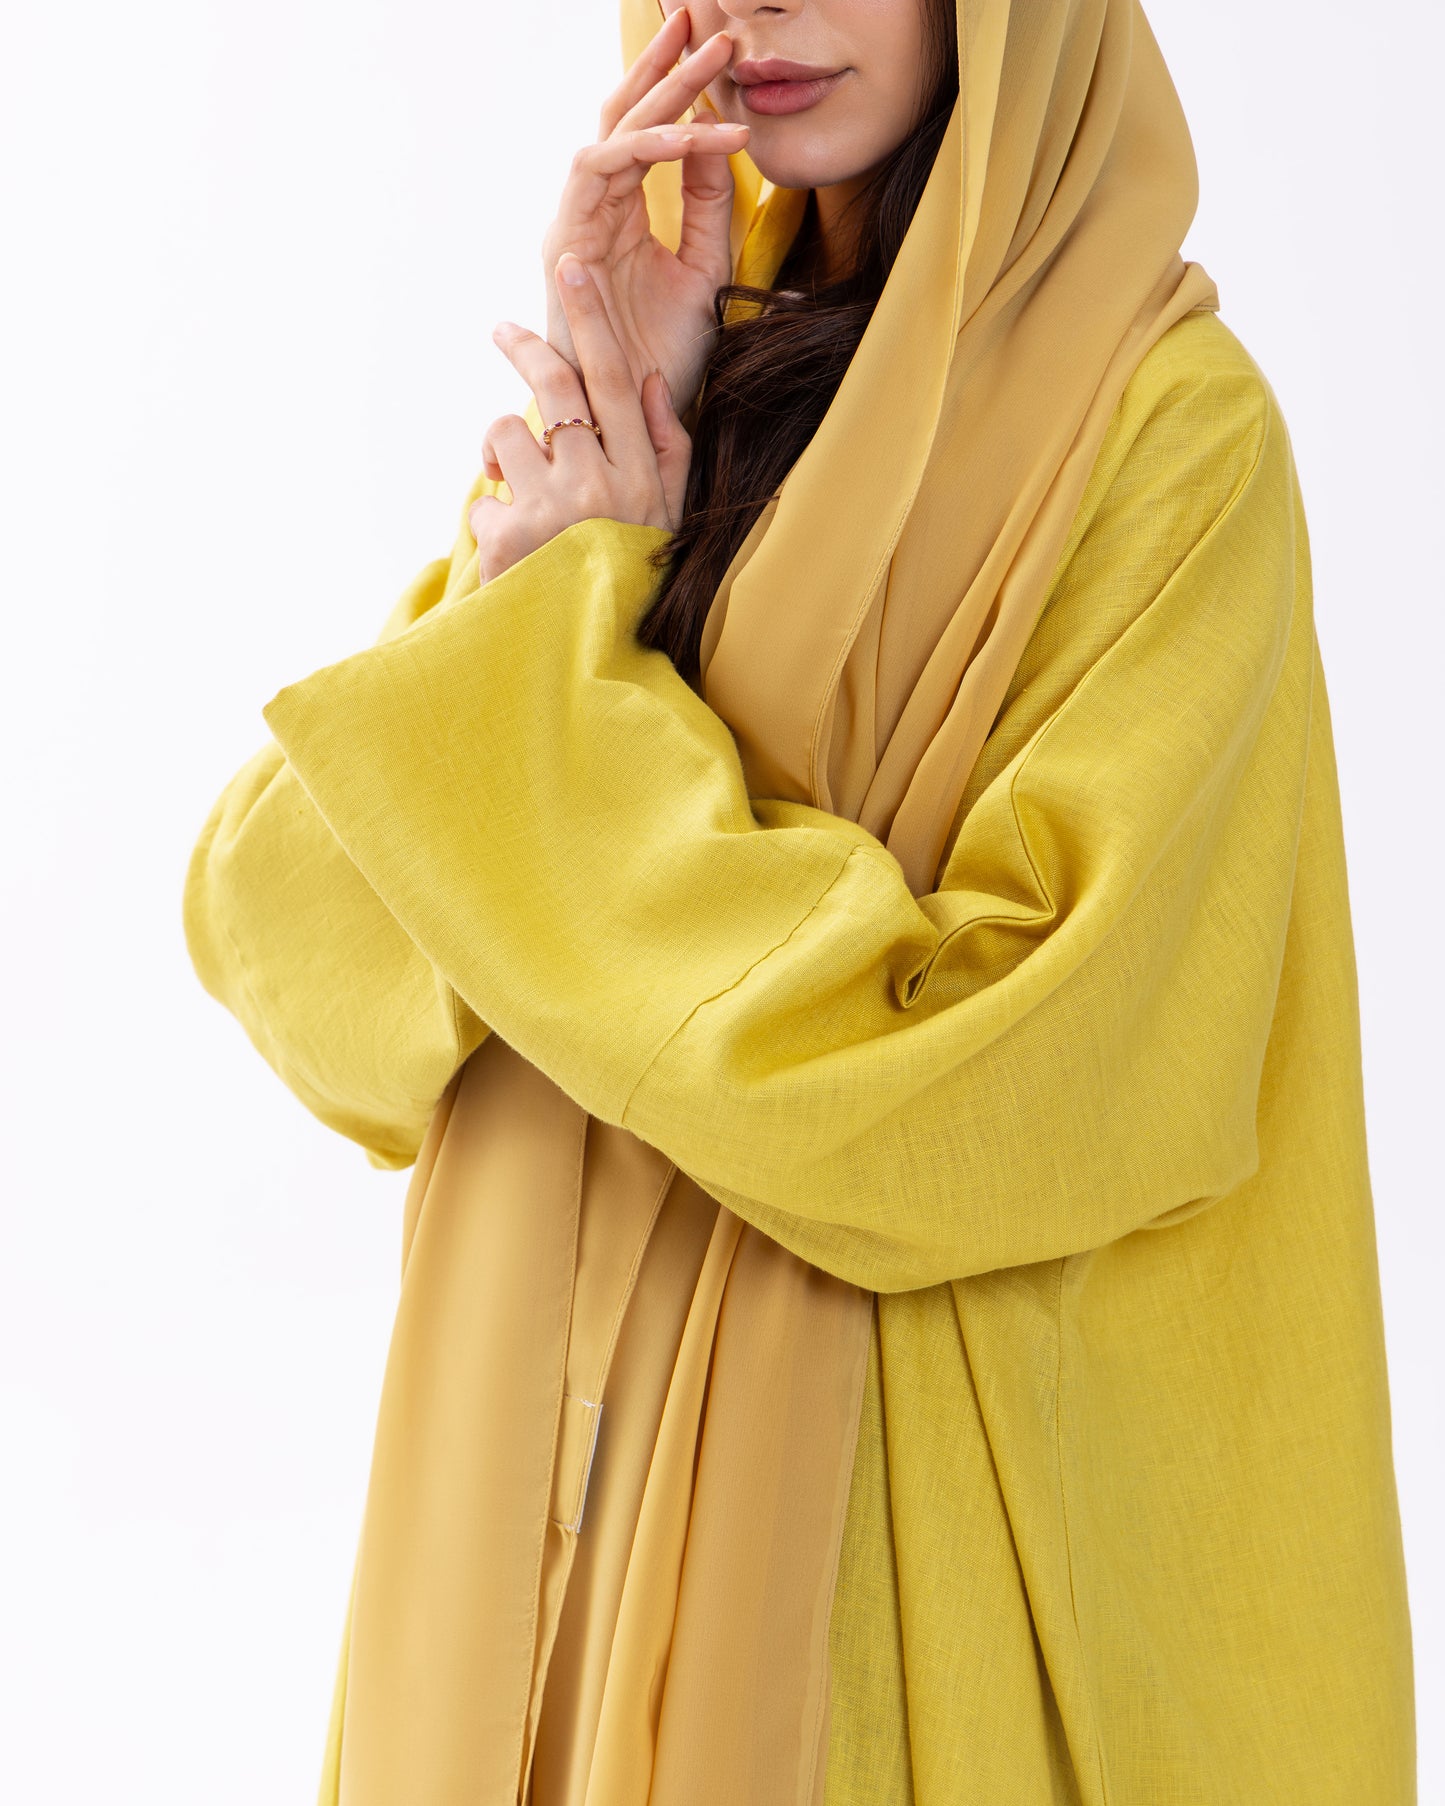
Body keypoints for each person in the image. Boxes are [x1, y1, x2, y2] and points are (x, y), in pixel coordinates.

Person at [182, 2, 1417, 1802]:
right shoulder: (664, 405)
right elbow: (300, 957)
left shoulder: (1167, 437)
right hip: (542, 1494)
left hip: (885, 1548)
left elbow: (1005, 1078)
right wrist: (561, 541)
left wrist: (558, 744)